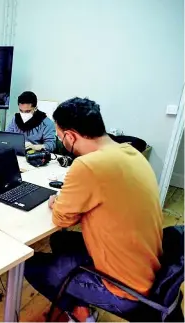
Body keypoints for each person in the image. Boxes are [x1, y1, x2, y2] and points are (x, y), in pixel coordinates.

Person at [23, 97, 163, 321]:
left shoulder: (87, 165)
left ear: (70, 136)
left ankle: (81, 315)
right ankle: (80, 302)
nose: (62, 143)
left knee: (29, 266)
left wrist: (54, 201)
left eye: (61, 138)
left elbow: (61, 218)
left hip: (125, 290)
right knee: (60, 241)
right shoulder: (131, 153)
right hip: (146, 266)